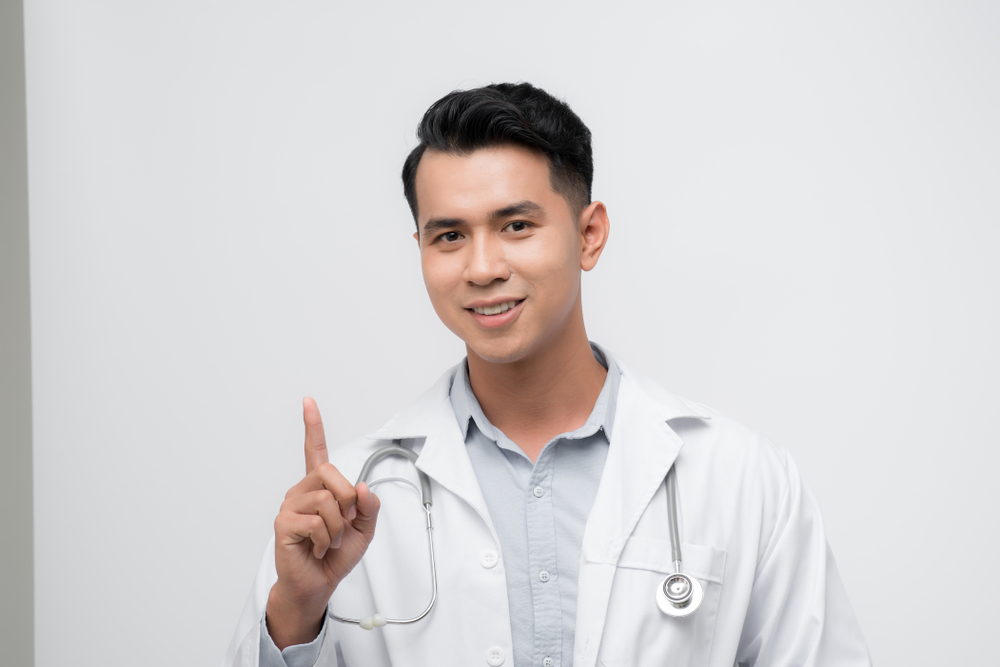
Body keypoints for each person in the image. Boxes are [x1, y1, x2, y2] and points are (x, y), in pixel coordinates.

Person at [223, 82, 871, 667]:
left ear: (589, 234)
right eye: (448, 236)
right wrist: (296, 611)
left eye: (516, 225)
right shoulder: (352, 496)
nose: (482, 266)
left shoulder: (741, 477)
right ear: (419, 248)